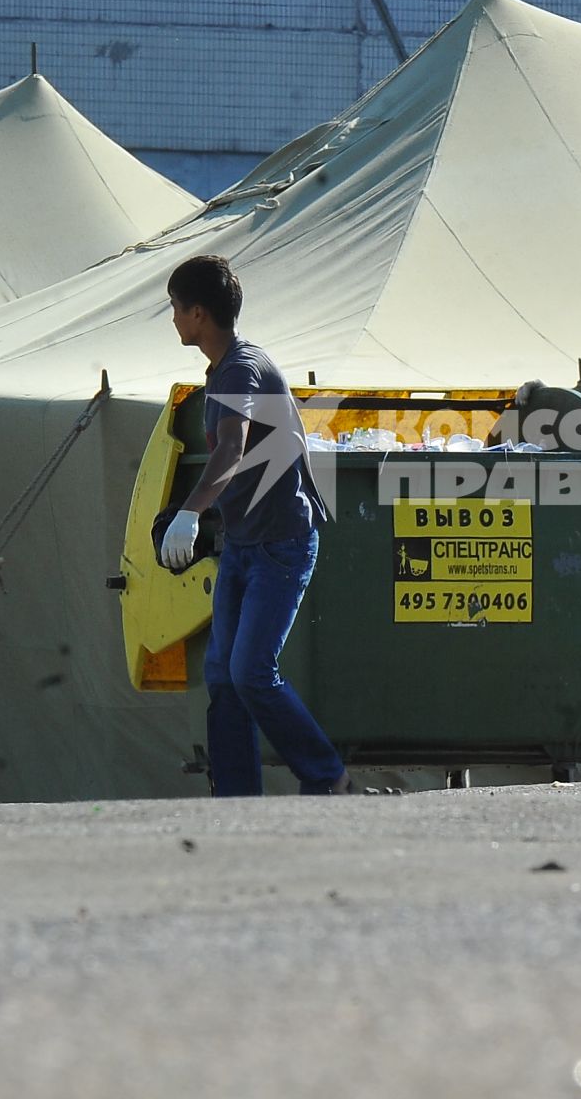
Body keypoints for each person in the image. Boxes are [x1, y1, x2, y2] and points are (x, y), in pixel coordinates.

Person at [159, 254, 351, 797]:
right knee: (222, 676)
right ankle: (237, 798)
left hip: (281, 545)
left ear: (198, 314)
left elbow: (230, 452)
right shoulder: (224, 367)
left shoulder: (241, 368)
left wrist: (190, 513)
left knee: (250, 673)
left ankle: (327, 776)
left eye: (175, 309)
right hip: (244, 545)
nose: (172, 319)